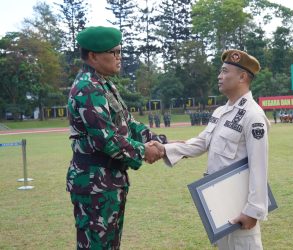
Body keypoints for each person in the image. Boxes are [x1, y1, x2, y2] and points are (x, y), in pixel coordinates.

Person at [66, 26, 166, 250]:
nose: (119, 57)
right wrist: (145, 151)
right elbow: (107, 139)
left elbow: (127, 124)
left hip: (109, 180)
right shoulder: (87, 88)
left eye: (120, 51)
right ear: (93, 56)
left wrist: (160, 141)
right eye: (114, 52)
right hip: (94, 184)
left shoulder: (103, 84)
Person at [162, 49, 270, 250]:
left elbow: (259, 166)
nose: (219, 77)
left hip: (240, 203)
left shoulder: (253, 115)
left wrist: (253, 211)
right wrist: (164, 149)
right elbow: (201, 142)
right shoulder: (221, 111)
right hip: (219, 201)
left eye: (224, 71)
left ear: (242, 77)